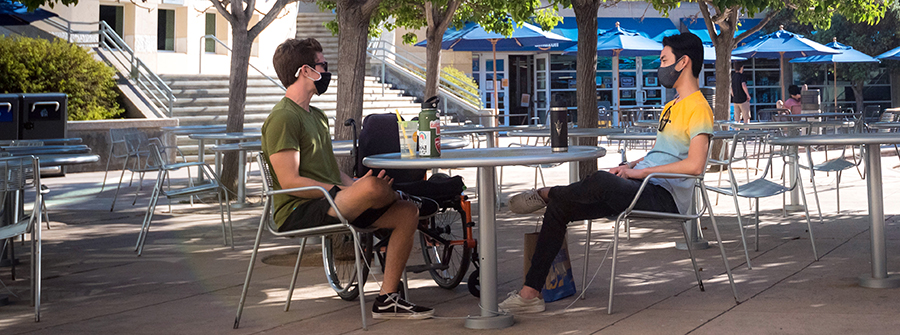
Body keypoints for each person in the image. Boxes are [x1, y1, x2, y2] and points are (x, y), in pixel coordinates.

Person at [501, 32, 714, 314]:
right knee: (560, 207)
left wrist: (641, 173)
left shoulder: (699, 107)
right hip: (645, 185)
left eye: (664, 60)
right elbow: (662, 152)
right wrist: (631, 167)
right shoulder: (672, 105)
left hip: (667, 197)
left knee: (598, 181)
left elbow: (695, 165)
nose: (658, 67)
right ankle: (530, 295)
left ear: (683, 62)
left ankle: (546, 192)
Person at [261, 38, 433, 320]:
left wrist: (355, 185)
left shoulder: (315, 115)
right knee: (376, 187)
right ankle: (397, 194)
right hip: (298, 209)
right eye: (322, 65)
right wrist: (345, 189)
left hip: (330, 200)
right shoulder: (283, 118)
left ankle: (388, 299)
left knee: (406, 212)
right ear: (305, 70)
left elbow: (329, 171)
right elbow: (290, 181)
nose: (326, 71)